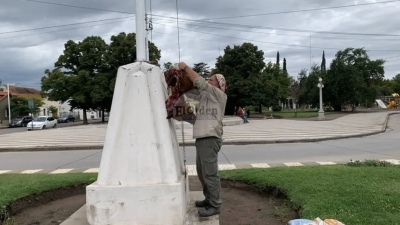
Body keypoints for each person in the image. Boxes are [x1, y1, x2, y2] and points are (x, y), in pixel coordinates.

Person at [177, 62, 227, 217]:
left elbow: (199, 82)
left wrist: (185, 68)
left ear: (218, 84)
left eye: (211, 79)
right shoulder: (207, 98)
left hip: (210, 138)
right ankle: (209, 199)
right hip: (203, 138)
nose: (208, 81)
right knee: (202, 172)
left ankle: (215, 204)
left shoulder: (217, 94)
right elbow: (197, 116)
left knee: (210, 173)